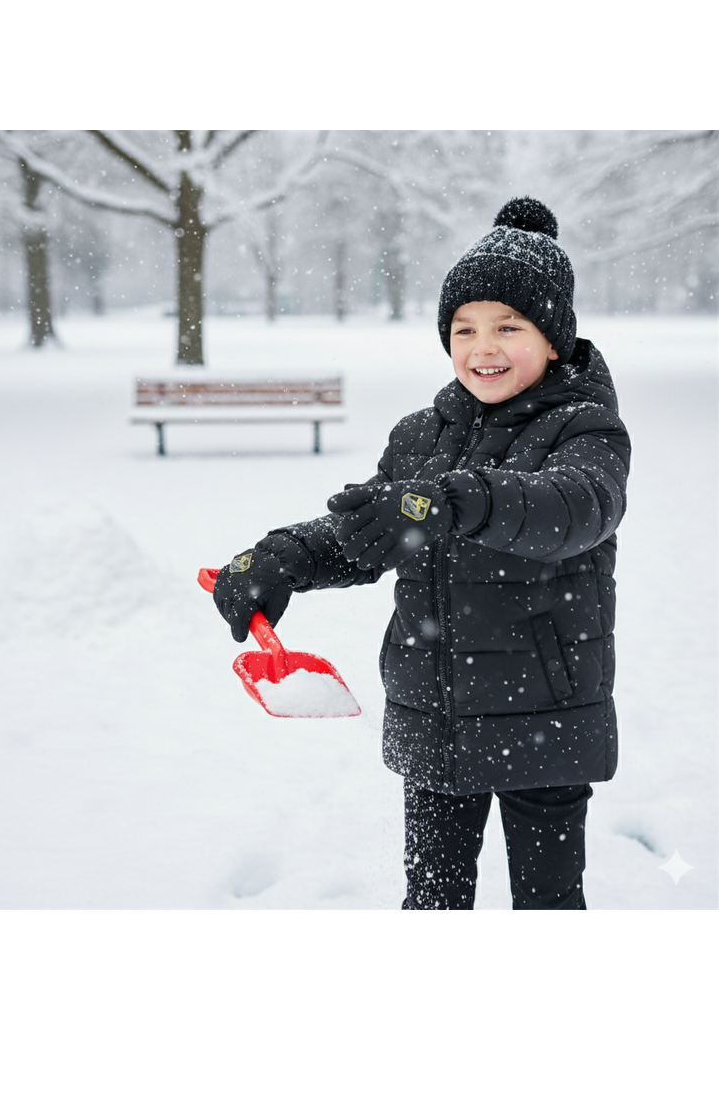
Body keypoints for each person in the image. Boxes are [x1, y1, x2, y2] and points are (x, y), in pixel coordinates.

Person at [211, 197, 631, 910]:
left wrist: (453, 501)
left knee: (549, 907)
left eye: (509, 327)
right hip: (433, 718)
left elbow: (573, 509)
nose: (483, 347)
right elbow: (368, 533)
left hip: (544, 720)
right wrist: (282, 558)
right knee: (432, 904)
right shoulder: (420, 436)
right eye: (464, 329)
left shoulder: (585, 430)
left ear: (554, 339)